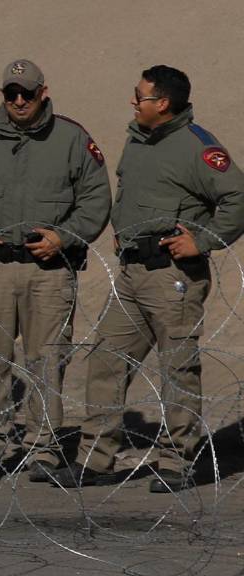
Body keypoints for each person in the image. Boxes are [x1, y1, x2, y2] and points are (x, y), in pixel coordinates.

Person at [51, 66, 244, 493]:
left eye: (139, 97)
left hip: (172, 276)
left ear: (163, 104)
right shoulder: (139, 140)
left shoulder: (198, 148)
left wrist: (203, 241)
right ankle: (95, 459)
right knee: (105, 360)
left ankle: (177, 461)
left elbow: (237, 198)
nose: (133, 102)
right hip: (132, 273)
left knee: (176, 367)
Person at [0, 59, 111, 482]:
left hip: (48, 271)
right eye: (11, 93)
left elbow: (95, 198)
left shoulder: (71, 138)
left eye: (27, 94)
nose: (18, 101)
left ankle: (43, 447)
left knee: (46, 361)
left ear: (42, 93)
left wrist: (64, 237)